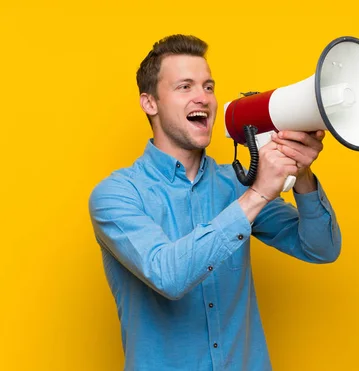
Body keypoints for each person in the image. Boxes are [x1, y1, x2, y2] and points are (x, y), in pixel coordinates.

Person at [88, 34, 342, 370]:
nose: (203, 98)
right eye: (185, 87)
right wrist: (259, 194)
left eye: (209, 87)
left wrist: (303, 173)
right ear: (150, 103)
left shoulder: (234, 185)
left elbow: (321, 248)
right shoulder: (117, 195)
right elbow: (168, 275)